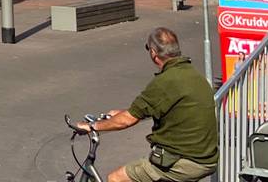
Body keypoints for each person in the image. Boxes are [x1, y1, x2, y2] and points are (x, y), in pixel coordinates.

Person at [75, 27, 217, 182]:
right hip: (205, 157)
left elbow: (127, 120)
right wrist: (125, 112)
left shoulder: (166, 81)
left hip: (183, 161)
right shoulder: (193, 75)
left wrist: (92, 127)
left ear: (154, 53)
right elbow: (157, 107)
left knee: (116, 178)